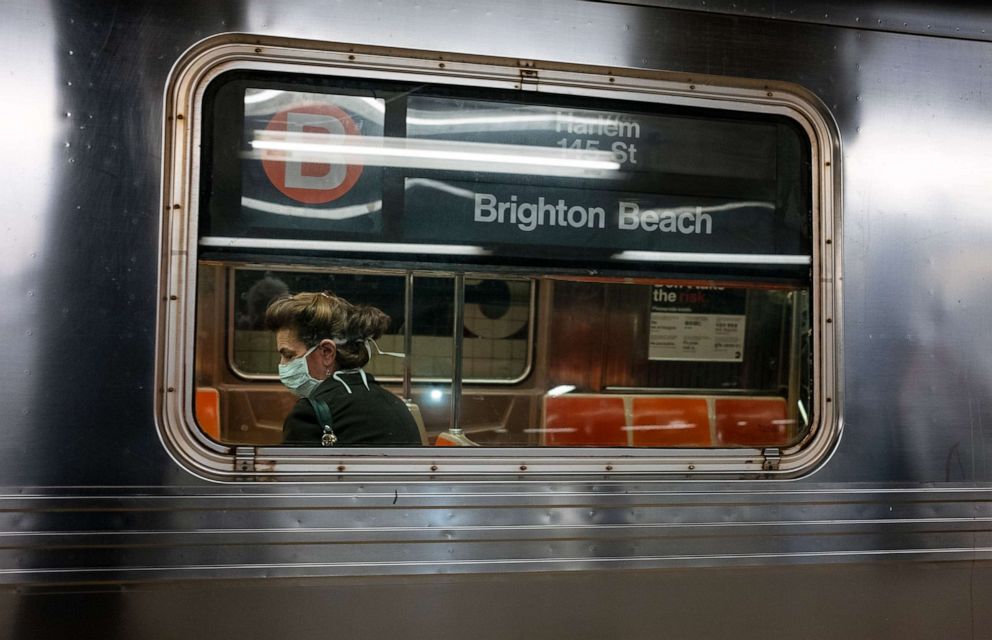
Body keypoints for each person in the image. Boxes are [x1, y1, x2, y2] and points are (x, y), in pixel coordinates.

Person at [265, 291, 422, 446]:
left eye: (289, 355)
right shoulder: (395, 404)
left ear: (327, 352)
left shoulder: (310, 415)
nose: (282, 364)